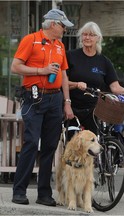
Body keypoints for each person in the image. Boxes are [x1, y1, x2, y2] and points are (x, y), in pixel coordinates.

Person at [10, 9, 74, 206]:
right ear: (53, 24)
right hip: (34, 97)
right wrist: (41, 70)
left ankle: (44, 194)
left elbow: (64, 76)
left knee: (50, 147)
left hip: (55, 100)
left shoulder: (60, 46)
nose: (65, 29)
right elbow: (15, 66)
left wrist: (67, 102)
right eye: (63, 25)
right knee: (30, 142)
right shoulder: (31, 40)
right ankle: (19, 191)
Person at [66, 21, 124, 134]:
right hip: (72, 107)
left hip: (94, 110)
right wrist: (76, 84)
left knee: (94, 144)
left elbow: (115, 87)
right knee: (72, 144)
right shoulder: (70, 56)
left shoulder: (104, 62)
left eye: (91, 35)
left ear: (98, 38)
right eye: (84, 34)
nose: (87, 37)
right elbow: (62, 82)